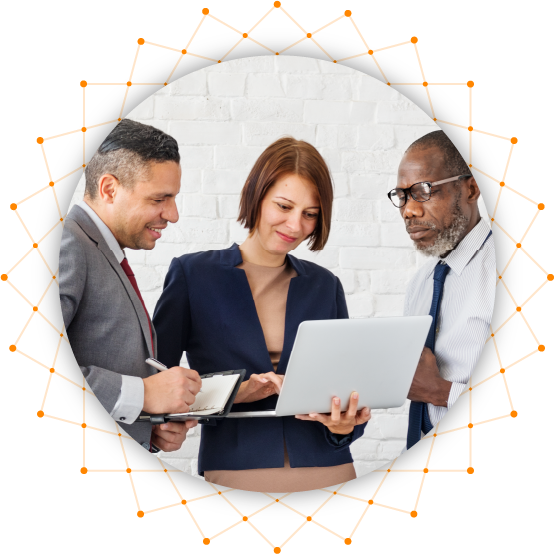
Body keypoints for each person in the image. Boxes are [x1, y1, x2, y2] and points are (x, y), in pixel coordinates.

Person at [153, 137, 371, 492]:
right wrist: (239, 391)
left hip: (329, 467)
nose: (295, 225)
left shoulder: (324, 285)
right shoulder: (194, 275)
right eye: (284, 206)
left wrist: (346, 425)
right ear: (257, 195)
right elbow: (155, 385)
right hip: (237, 467)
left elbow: (345, 393)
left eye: (310, 214)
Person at [59, 119, 202, 453]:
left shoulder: (101, 249)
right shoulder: (68, 243)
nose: (173, 214)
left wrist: (146, 425)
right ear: (110, 189)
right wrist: (146, 395)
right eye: (159, 199)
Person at [388, 130, 495, 449]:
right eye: (402, 196)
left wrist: (440, 391)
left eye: (423, 191)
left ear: (471, 188)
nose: (409, 210)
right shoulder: (421, 283)